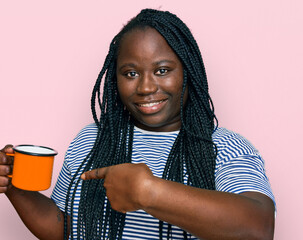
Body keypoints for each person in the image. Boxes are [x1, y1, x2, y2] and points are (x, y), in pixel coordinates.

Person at [0, 9, 275, 240]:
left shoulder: (224, 147)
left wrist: (150, 193)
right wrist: (14, 186)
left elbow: (258, 228)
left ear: (188, 73)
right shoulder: (92, 139)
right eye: (131, 73)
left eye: (162, 70)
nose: (145, 87)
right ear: (114, 79)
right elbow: (65, 229)